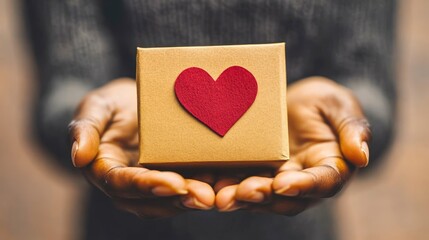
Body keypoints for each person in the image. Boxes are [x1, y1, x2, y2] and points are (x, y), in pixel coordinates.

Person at [24, 1, 396, 239]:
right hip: (120, 224)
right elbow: (67, 81)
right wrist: (81, 121)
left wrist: (353, 119)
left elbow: (368, 81)